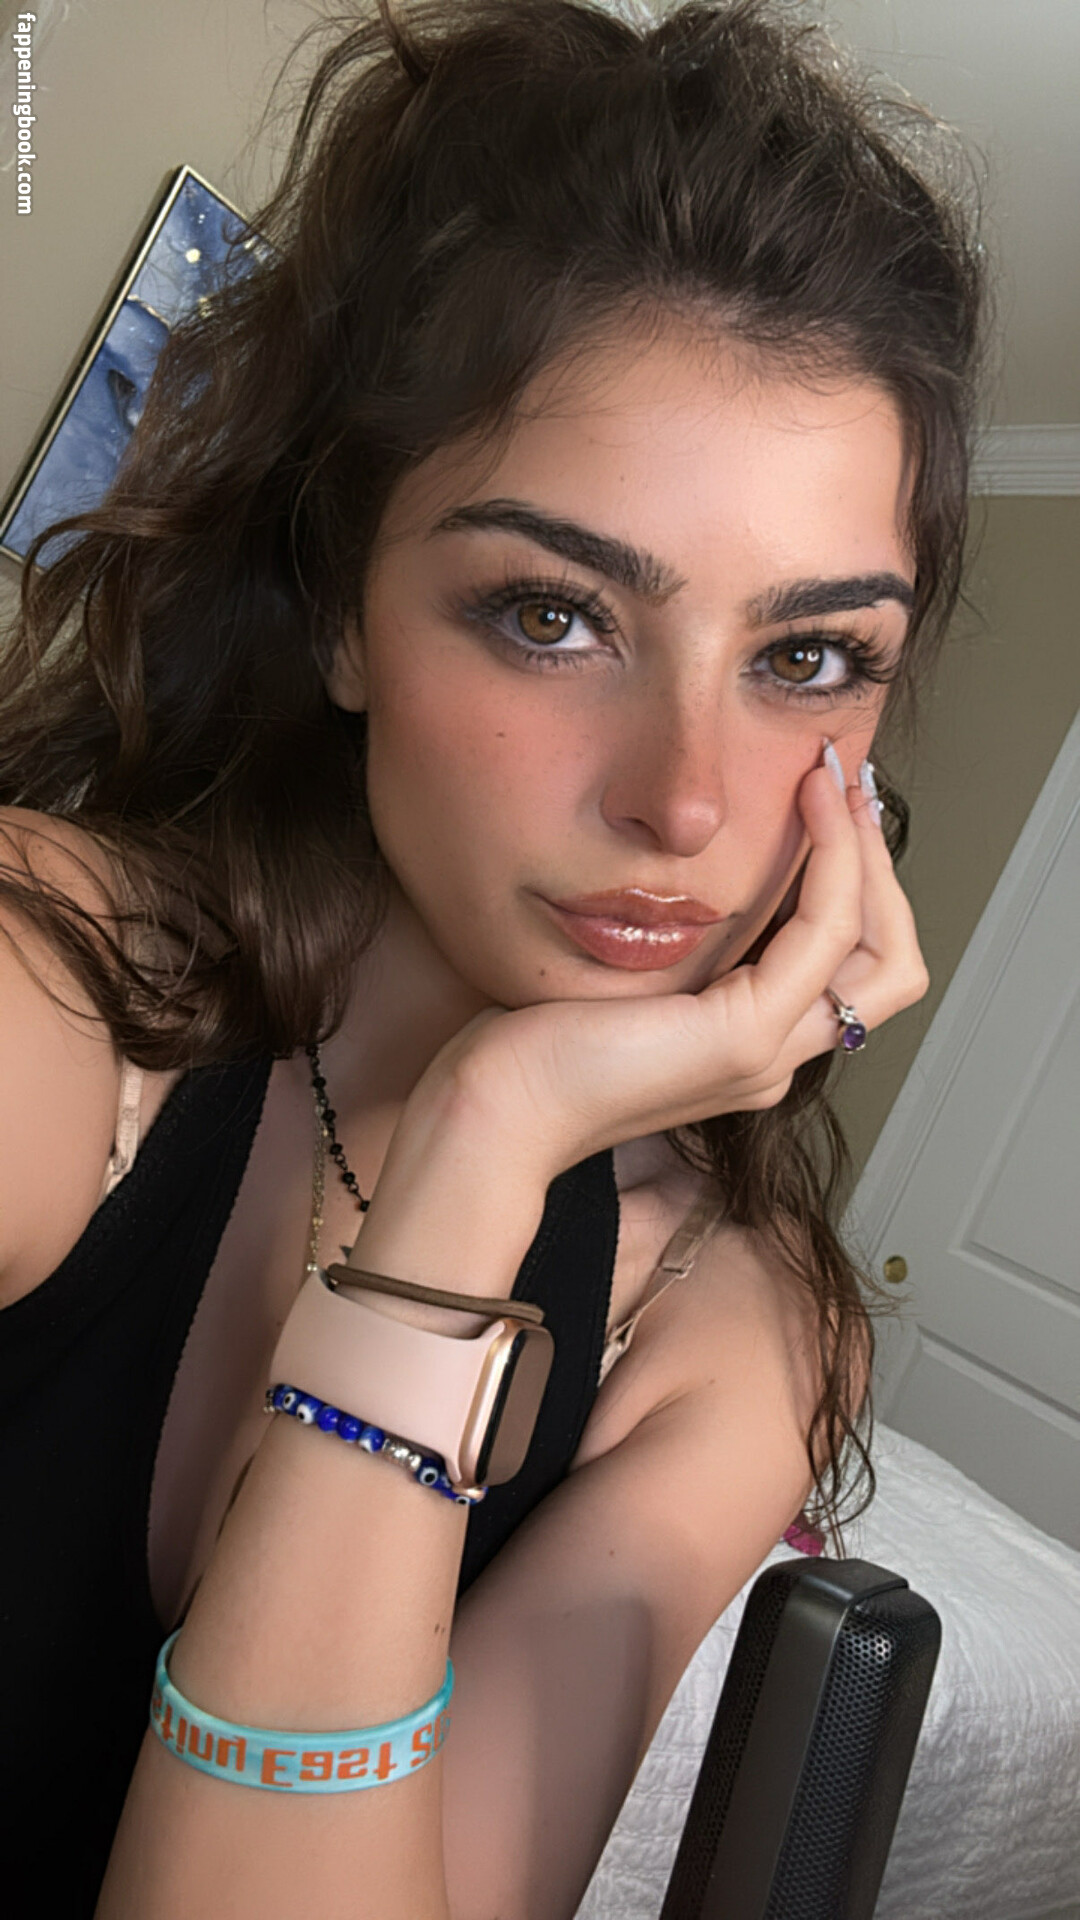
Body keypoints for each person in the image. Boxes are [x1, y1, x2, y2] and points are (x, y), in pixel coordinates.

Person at [0, 0, 985, 1912]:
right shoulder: (52, 989)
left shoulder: (733, 1315)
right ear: (343, 613)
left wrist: (486, 1146)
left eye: (806, 658)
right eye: (552, 613)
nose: (684, 801)